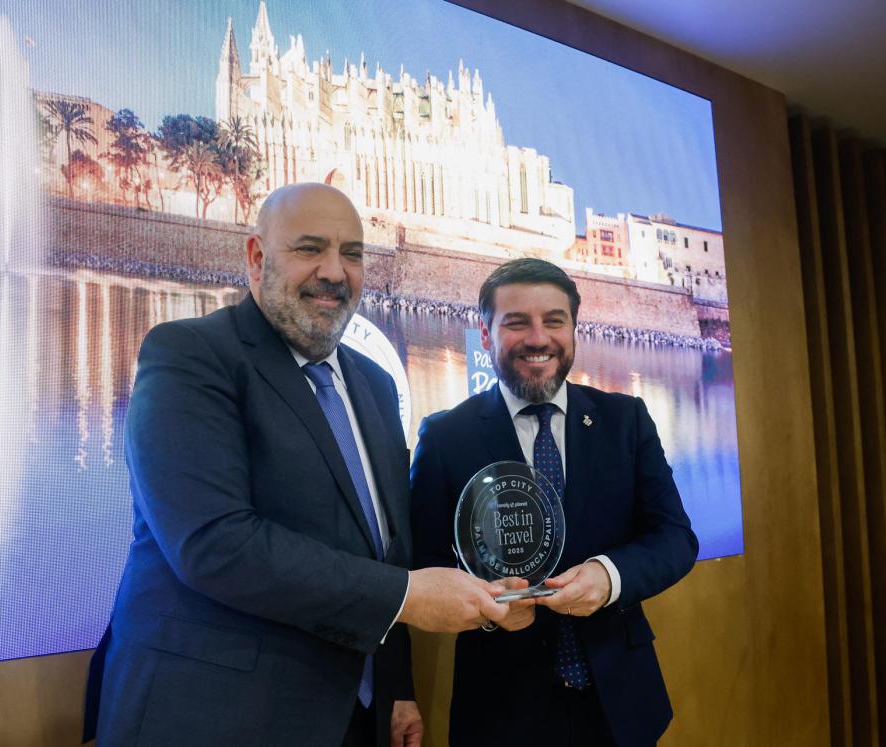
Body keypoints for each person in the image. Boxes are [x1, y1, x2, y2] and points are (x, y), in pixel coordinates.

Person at [83, 183, 512, 747]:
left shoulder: (377, 386)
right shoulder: (190, 354)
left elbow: (383, 550)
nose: (335, 271)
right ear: (257, 258)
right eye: (310, 249)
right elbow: (215, 543)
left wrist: (395, 688)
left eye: (352, 253)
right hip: (214, 718)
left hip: (353, 719)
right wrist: (407, 597)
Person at [410, 258, 699, 747]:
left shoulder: (625, 420)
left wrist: (609, 577)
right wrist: (486, 606)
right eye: (517, 322)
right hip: (502, 711)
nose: (537, 338)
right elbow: (424, 563)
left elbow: (674, 539)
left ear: (573, 331)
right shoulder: (445, 436)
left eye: (554, 321)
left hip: (621, 705)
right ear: (486, 334)